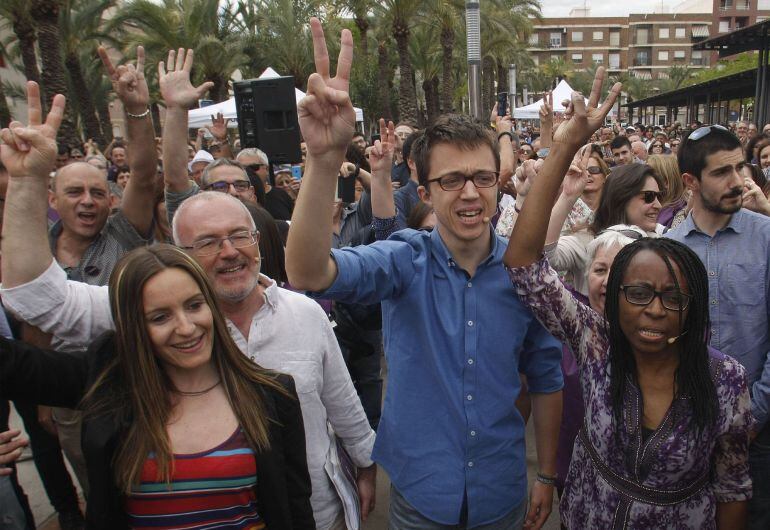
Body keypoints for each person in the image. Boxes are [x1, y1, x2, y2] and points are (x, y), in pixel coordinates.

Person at [1, 47, 377, 530]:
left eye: (239, 236)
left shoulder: (302, 313)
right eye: (208, 242)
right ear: (179, 255)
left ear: (260, 243)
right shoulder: (144, 316)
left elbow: (342, 403)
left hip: (315, 512)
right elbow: (36, 298)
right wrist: (29, 182)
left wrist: (365, 464)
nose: (230, 251)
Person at [286, 18, 571, 529]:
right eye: (452, 179)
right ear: (424, 192)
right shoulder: (401, 260)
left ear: (497, 183)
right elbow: (308, 272)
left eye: (483, 178)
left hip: (500, 492)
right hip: (420, 495)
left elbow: (547, 377)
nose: (469, 192)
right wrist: (324, 159)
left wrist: (546, 475)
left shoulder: (525, 276)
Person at [503, 98, 752, 528]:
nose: (654, 310)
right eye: (637, 293)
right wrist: (563, 148)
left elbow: (732, 487)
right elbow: (524, 264)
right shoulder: (597, 341)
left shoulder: (725, 378)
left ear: (693, 308)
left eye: (672, 297)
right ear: (615, 296)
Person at [0, 244, 314, 528]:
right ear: (133, 327)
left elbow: (296, 510)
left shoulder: (272, 395)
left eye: (194, 305)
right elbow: (13, 365)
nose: (186, 328)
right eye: (160, 317)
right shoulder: (108, 384)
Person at [666, 124, 770, 529]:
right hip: (689, 430)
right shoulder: (669, 247)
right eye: (721, 173)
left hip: (760, 437)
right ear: (690, 181)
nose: (738, 182)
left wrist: (754, 414)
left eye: (740, 168)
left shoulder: (765, 238)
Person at [647, 154, 688, 229]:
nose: (643, 180)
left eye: (649, 176)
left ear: (665, 182)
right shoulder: (649, 204)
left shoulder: (682, 213)